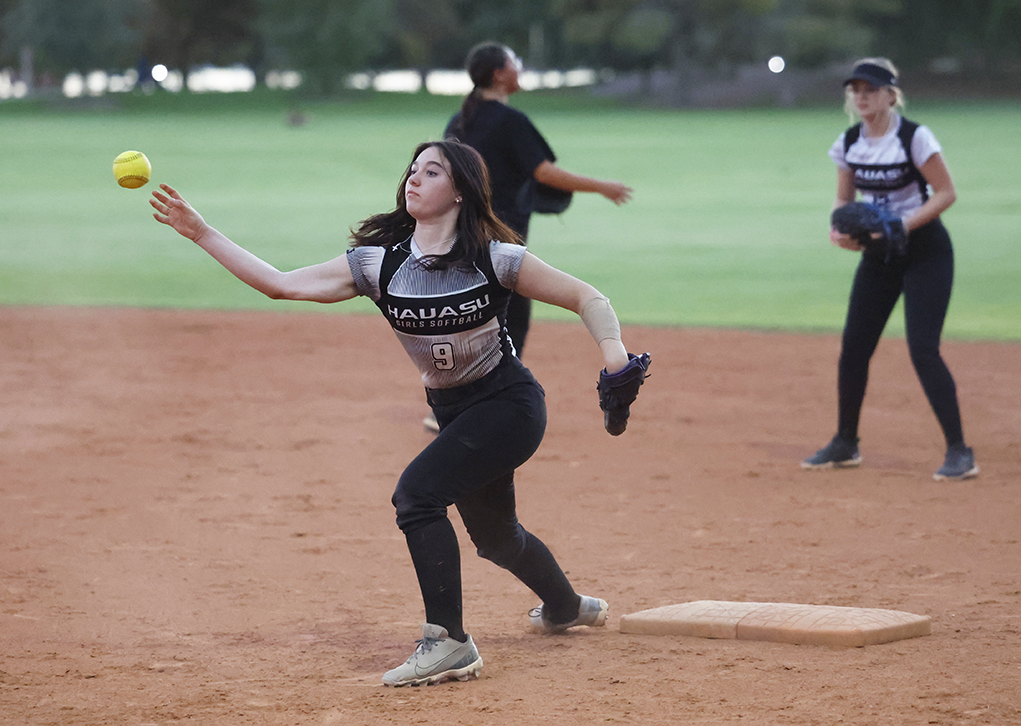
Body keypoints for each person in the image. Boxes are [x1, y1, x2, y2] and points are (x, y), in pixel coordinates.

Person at [149, 139, 648, 686]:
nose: (414, 179)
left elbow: (588, 298)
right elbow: (281, 284)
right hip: (457, 414)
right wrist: (201, 233)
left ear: (459, 191)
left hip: (509, 405)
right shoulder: (378, 264)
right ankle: (565, 606)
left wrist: (615, 358)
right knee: (496, 538)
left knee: (417, 495)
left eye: (431, 172)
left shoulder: (494, 258)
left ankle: (449, 641)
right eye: (412, 170)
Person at [801, 58, 978, 481]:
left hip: (925, 251)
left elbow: (946, 193)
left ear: (890, 94)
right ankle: (846, 442)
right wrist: (838, 230)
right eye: (855, 89)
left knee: (923, 349)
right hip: (879, 256)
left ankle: (959, 450)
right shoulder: (849, 142)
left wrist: (901, 225)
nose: (862, 96)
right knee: (854, 349)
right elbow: (844, 202)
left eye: (871, 88)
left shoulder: (913, 137)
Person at [445, 41, 634, 360]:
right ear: (500, 74)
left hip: (459, 237)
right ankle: (496, 400)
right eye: (514, 61)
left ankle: (448, 404)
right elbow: (544, 173)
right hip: (502, 240)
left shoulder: (459, 121)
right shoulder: (510, 121)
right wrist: (601, 186)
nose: (519, 67)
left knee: (469, 322)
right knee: (511, 324)